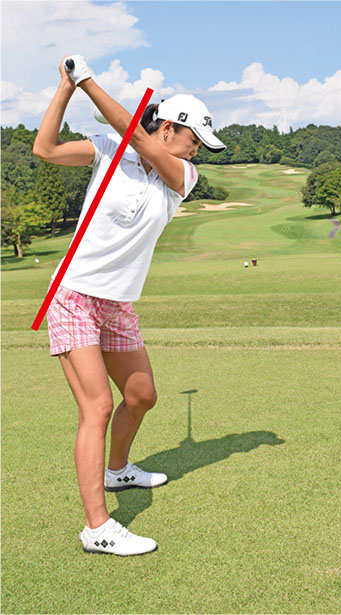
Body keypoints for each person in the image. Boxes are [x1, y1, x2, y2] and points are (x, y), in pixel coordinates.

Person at [33, 54, 226, 557]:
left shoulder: (183, 176)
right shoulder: (107, 149)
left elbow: (139, 140)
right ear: (170, 128)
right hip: (74, 294)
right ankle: (97, 527)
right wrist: (68, 86)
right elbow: (45, 148)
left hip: (118, 304)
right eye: (194, 140)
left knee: (141, 396)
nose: (198, 151)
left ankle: (117, 471)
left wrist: (89, 79)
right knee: (97, 406)